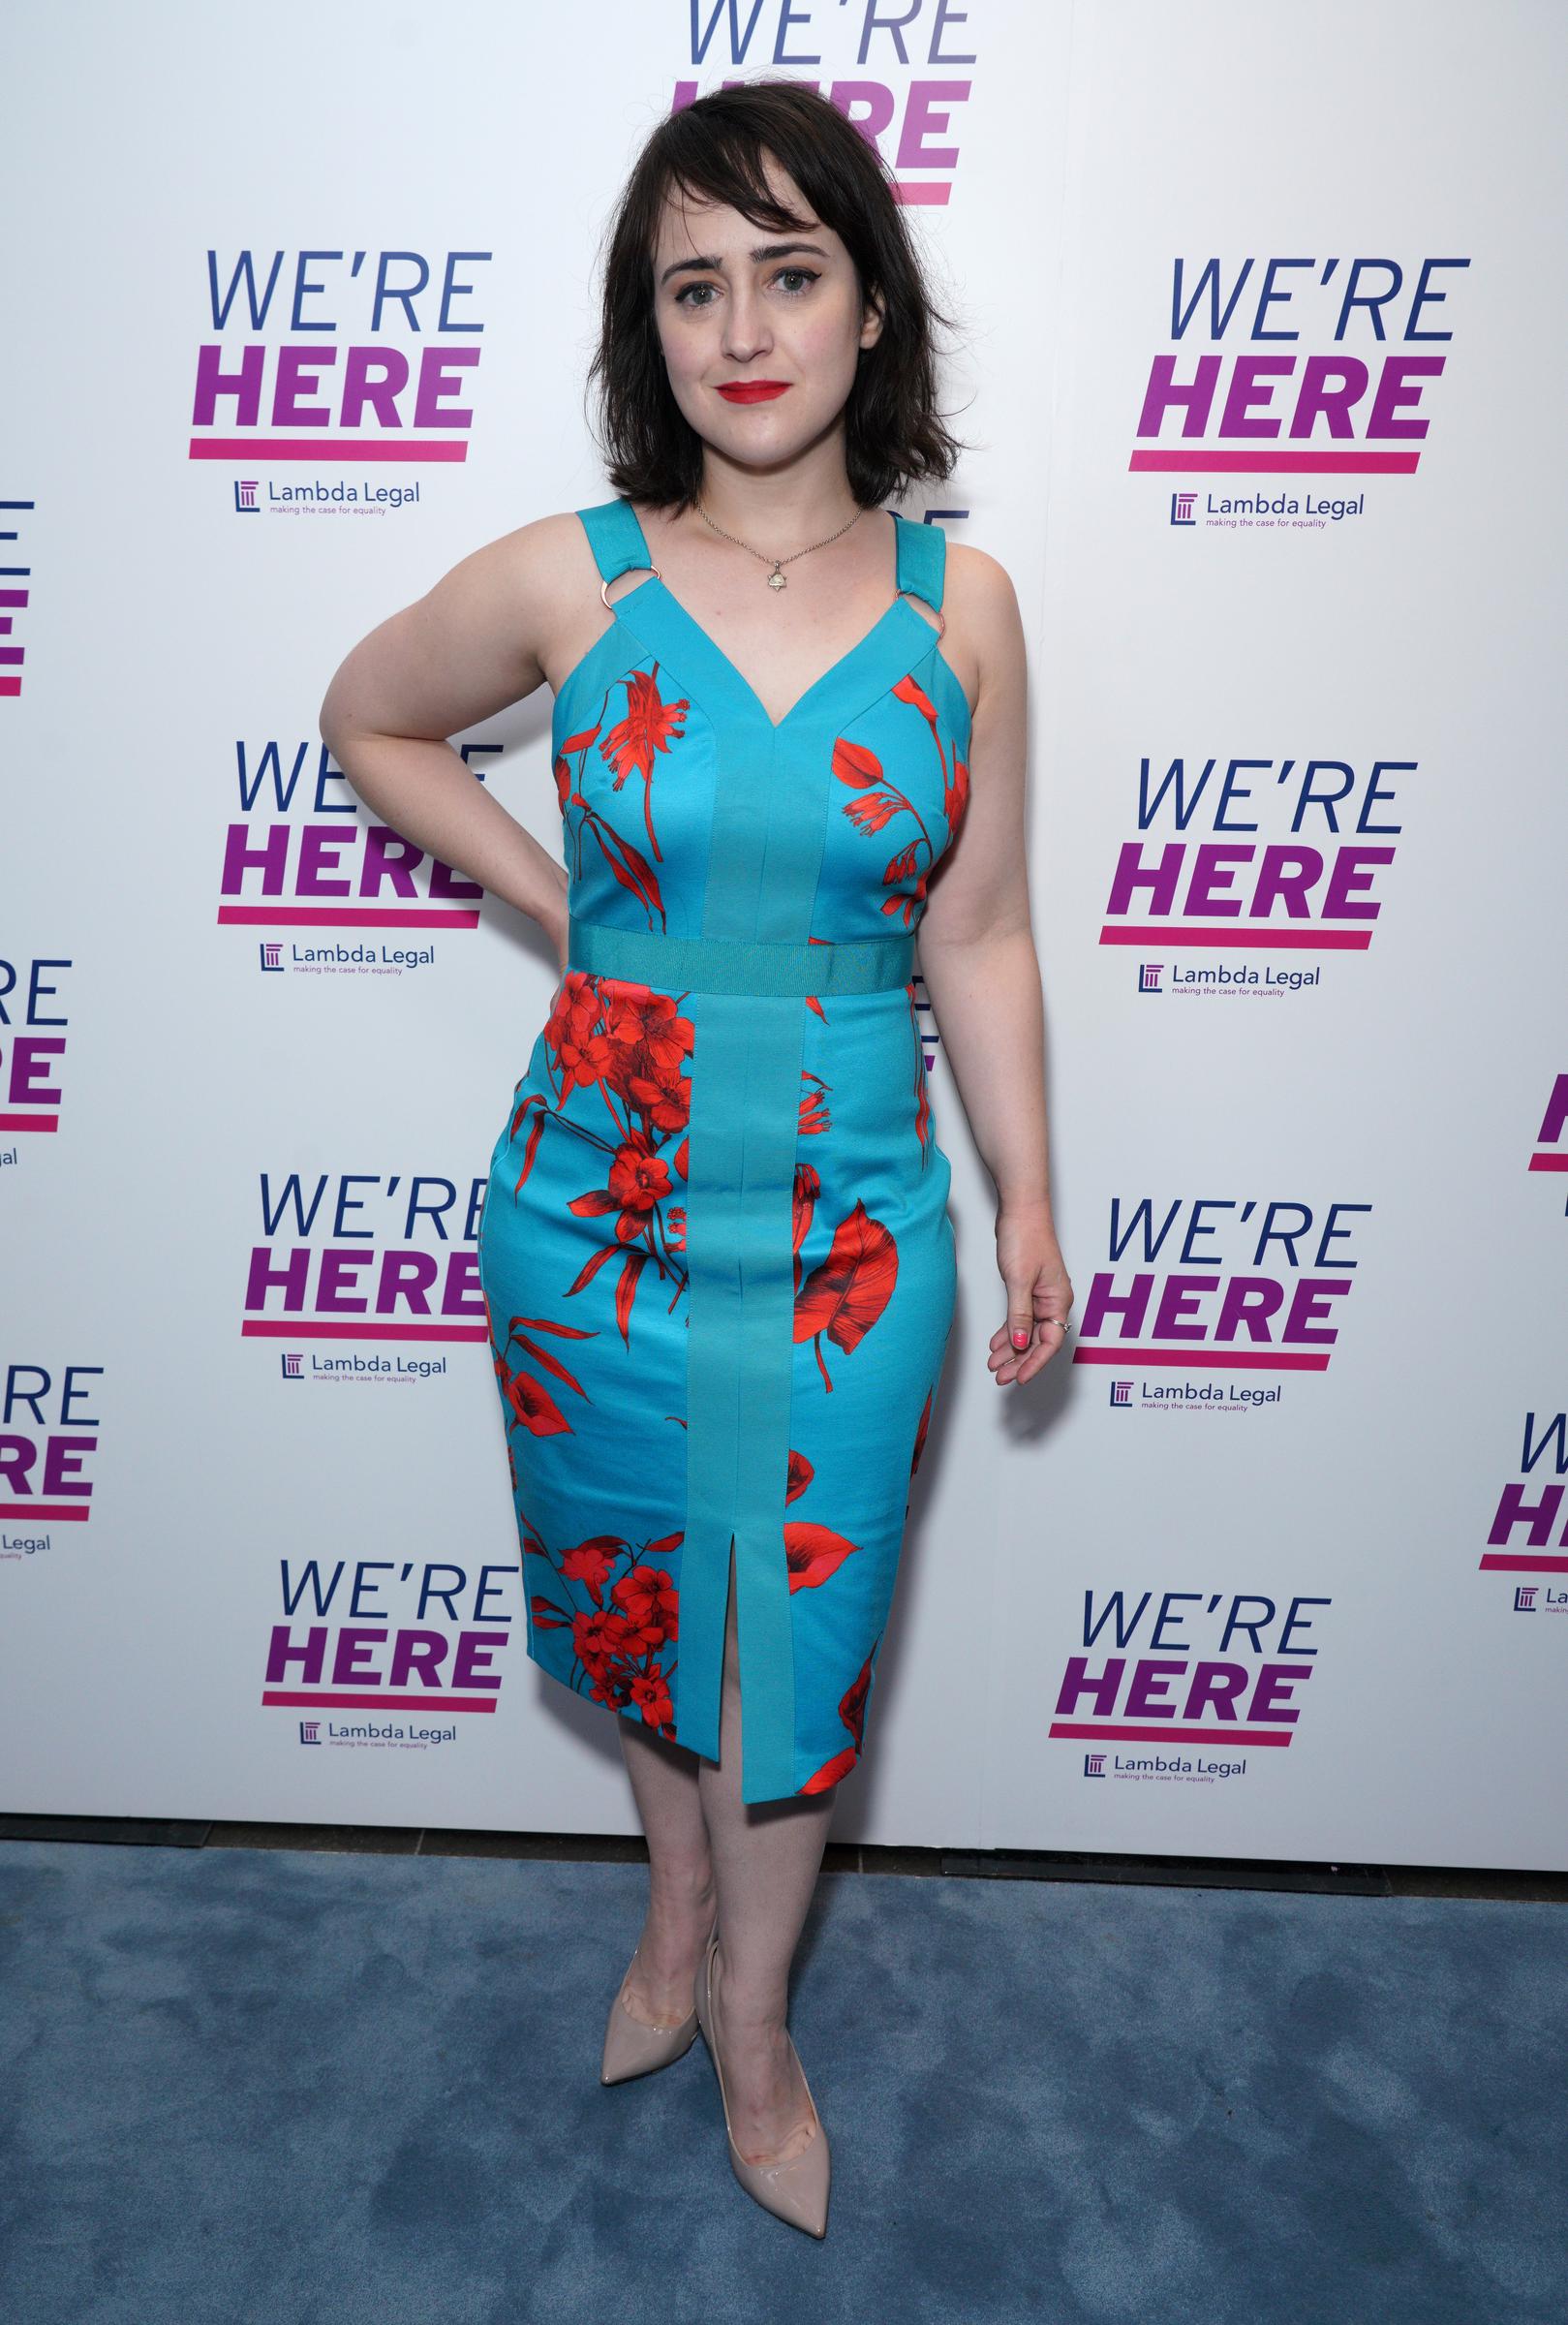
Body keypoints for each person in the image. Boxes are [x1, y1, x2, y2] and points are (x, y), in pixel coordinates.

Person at [319, 77, 1071, 2239]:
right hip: (594, 1223)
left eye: (791, 272)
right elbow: (368, 713)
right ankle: (668, 1929)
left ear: (868, 309)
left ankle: (756, 2023)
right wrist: (562, 902)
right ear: (648, 329)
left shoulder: (966, 607)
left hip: (848, 1228)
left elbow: (985, 926)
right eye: (691, 285)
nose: (744, 326)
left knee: (791, 1662)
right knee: (647, 1609)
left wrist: (1029, 1195)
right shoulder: (574, 579)